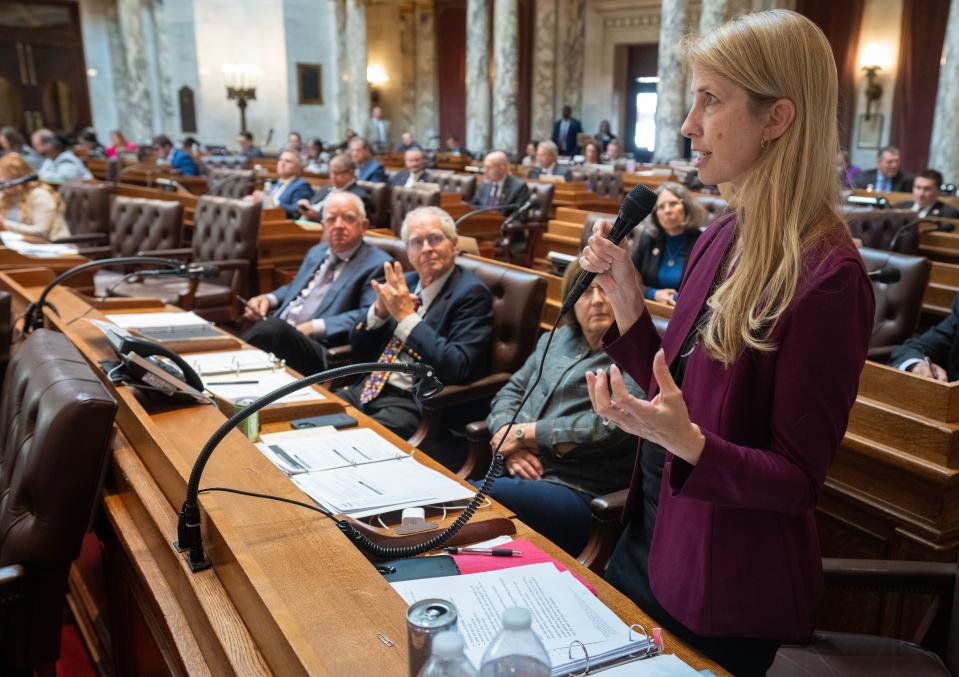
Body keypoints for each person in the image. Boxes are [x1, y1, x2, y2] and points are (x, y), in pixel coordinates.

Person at [580, 11, 874, 675]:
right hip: (647, 537)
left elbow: (797, 480)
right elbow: (674, 391)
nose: (687, 124)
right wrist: (627, 299)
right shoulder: (721, 237)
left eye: (709, 100)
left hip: (719, 587)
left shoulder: (830, 275)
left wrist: (688, 443)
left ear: (776, 118)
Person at [480, 258, 643, 557]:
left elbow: (615, 425)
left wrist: (527, 433)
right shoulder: (555, 339)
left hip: (582, 492)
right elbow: (511, 391)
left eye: (607, 290)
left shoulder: (638, 351)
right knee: (461, 504)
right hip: (519, 471)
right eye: (586, 291)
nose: (597, 301)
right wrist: (512, 443)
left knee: (474, 498)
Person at [343, 206, 493, 440]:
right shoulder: (407, 282)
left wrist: (406, 317)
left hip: (414, 404)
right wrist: (380, 312)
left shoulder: (471, 294)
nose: (427, 249)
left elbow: (457, 366)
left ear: (453, 244)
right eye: (417, 242)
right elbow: (357, 344)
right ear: (408, 252)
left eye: (435, 239)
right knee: (309, 423)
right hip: (367, 388)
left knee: (351, 442)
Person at [242, 192, 393, 376]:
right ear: (323, 226)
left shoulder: (378, 264)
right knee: (266, 327)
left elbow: (368, 315)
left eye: (348, 218)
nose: (338, 225)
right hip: (282, 331)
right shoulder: (317, 252)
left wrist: (314, 327)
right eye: (331, 219)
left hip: (319, 348)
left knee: (273, 328)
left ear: (364, 226)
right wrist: (268, 298)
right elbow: (294, 289)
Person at [630, 182, 705, 306]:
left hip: (687, 310)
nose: (667, 211)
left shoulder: (702, 241)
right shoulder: (648, 239)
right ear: (655, 214)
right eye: (661, 207)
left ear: (686, 207)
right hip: (650, 308)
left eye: (673, 204)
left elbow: (704, 288)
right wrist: (653, 293)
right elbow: (630, 278)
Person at [0, 152, 70, 241]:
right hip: (21, 246)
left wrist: (5, 223)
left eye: (6, 178)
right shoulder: (5, 196)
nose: (3, 183)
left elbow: (40, 232)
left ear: (18, 178)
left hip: (53, 247)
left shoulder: (40, 196)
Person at [297, 153, 373, 221]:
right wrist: (304, 206)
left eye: (337, 173)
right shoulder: (325, 189)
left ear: (351, 172)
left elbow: (345, 223)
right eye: (331, 172)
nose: (333, 177)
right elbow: (310, 206)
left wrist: (316, 216)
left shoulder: (358, 197)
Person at [245, 149, 313, 218]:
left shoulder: (301, 185)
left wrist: (270, 201)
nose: (282, 163)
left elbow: (297, 210)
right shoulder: (274, 183)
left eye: (288, 161)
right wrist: (254, 200)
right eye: (280, 160)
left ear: (298, 168)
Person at [470, 150, 530, 216]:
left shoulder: (519, 187)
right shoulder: (484, 184)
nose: (485, 171)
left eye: (489, 167)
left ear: (502, 168)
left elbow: (520, 216)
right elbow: (473, 207)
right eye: (485, 167)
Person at [891, 168, 959, 219]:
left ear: (938, 191)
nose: (921, 194)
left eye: (927, 189)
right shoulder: (898, 208)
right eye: (918, 188)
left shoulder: (949, 214)